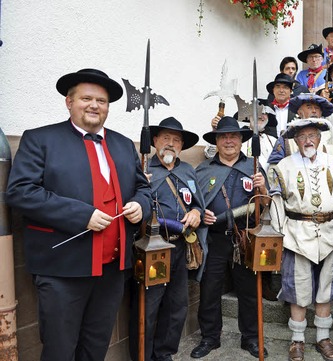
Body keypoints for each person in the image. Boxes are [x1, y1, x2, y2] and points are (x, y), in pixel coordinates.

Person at [6, 68, 152, 360]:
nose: (95, 105)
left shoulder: (123, 145)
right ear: (69, 102)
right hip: (62, 269)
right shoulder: (40, 139)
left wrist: (141, 205)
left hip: (112, 269)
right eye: (86, 98)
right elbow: (20, 192)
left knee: (95, 347)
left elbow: (143, 187)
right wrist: (80, 215)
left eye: (102, 100)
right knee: (60, 350)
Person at [268, 118, 333, 361]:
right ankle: (297, 341)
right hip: (296, 234)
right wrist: (280, 234)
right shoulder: (282, 167)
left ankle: (323, 337)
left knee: (326, 288)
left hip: (331, 233)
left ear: (320, 137)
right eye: (302, 137)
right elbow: (276, 202)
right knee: (299, 289)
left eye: (312, 135)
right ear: (295, 141)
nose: (308, 141)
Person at [191, 117, 269, 359]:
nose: (228, 141)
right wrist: (200, 213)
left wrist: (263, 189)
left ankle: (251, 338)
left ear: (241, 140)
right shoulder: (204, 169)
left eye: (233, 136)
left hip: (245, 240)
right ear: (216, 140)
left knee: (249, 291)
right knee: (210, 290)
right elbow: (193, 203)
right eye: (224, 136)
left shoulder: (254, 167)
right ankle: (210, 338)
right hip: (214, 239)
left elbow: (266, 204)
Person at [129, 117, 204, 361]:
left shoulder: (187, 171)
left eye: (176, 140)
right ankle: (143, 356)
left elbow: (198, 205)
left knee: (176, 307)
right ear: (155, 141)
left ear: (182, 145)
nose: (170, 144)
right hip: (152, 249)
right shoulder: (143, 170)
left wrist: (195, 213)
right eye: (166, 138)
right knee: (148, 307)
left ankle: (164, 354)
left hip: (180, 246)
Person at [268, 93, 333, 165]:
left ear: (321, 112)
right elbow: (275, 166)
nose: (314, 111)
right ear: (300, 113)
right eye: (309, 107)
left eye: (317, 108)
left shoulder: (332, 136)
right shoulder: (287, 137)